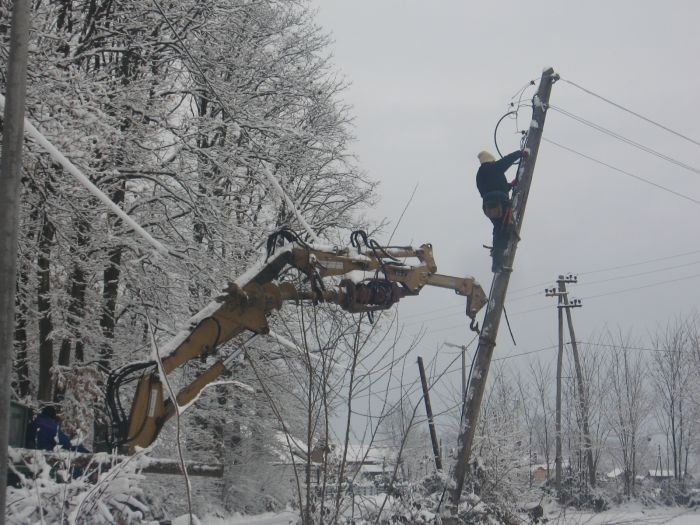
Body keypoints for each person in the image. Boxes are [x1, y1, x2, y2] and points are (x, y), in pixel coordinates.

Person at [476, 149, 528, 272]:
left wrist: (510, 185)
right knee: (505, 229)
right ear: (490, 160)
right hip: (500, 203)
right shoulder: (493, 167)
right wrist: (520, 153)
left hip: (488, 206)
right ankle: (498, 261)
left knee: (498, 228)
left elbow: (491, 188)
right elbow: (507, 160)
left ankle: (496, 258)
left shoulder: (479, 174)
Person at [25, 405, 89, 453]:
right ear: (53, 416)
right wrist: (84, 451)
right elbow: (66, 443)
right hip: (45, 456)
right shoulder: (50, 426)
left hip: (29, 455)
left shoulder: (32, 424)